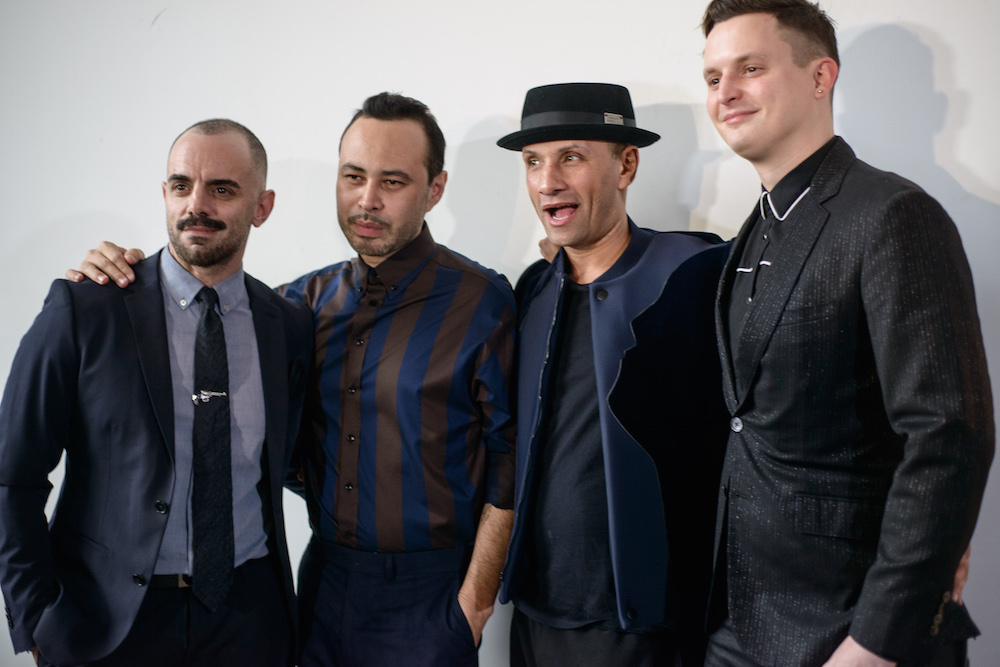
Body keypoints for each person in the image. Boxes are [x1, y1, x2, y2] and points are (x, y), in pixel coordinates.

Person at [67, 93, 516, 667]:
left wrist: (474, 604)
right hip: (318, 586)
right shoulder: (296, 304)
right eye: (353, 176)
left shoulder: (482, 301)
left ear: (435, 189)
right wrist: (118, 272)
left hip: (431, 597)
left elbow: (509, 463)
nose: (367, 199)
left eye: (393, 181)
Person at [700, 1, 994, 665]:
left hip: (850, 628)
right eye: (714, 77)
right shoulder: (753, 229)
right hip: (739, 619)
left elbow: (948, 434)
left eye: (751, 68)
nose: (726, 92)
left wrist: (877, 640)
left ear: (820, 76)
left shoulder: (893, 214)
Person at [0, 119, 313, 666]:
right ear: (164, 193)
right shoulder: (86, 308)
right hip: (109, 624)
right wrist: (36, 618)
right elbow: (13, 473)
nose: (197, 205)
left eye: (222, 189)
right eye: (181, 185)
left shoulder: (287, 325)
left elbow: (291, 461)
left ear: (261, 208)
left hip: (250, 621)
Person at [495, 82, 730, 666]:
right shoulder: (532, 289)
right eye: (533, 162)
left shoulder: (696, 273)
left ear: (626, 165)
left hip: (646, 626)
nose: (547, 181)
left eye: (571, 157)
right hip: (534, 615)